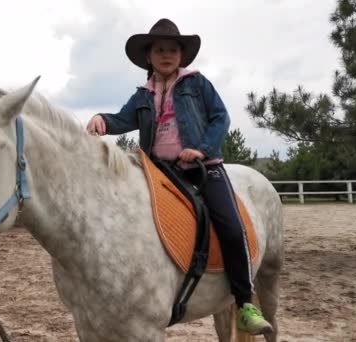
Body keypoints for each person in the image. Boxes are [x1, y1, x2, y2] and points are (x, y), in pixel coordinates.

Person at [86, 18, 273, 335]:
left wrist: (201, 148)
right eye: (159, 49)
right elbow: (121, 119)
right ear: (149, 56)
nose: (166, 54)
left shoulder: (197, 84)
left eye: (172, 49)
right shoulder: (142, 95)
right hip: (158, 170)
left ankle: (244, 301)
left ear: (181, 55)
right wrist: (101, 119)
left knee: (229, 224)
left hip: (202, 169)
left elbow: (221, 118)